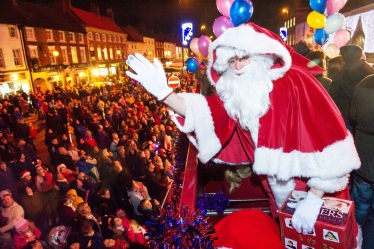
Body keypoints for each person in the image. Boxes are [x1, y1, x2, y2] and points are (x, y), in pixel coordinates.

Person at [125, 23, 360, 236]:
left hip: (317, 193)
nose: (237, 66)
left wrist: (313, 199)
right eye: (231, 60)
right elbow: (203, 110)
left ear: (259, 56)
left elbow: (335, 150)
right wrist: (165, 94)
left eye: (243, 57)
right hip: (277, 196)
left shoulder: (297, 84)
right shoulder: (237, 94)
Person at [350, 74, 374, 248]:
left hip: (363, 154)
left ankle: (353, 237)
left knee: (360, 203)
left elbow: (353, 115)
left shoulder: (364, 80)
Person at [330, 44, 374, 134]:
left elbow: (332, 96)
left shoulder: (340, 75)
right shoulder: (369, 71)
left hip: (345, 115)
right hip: (365, 116)